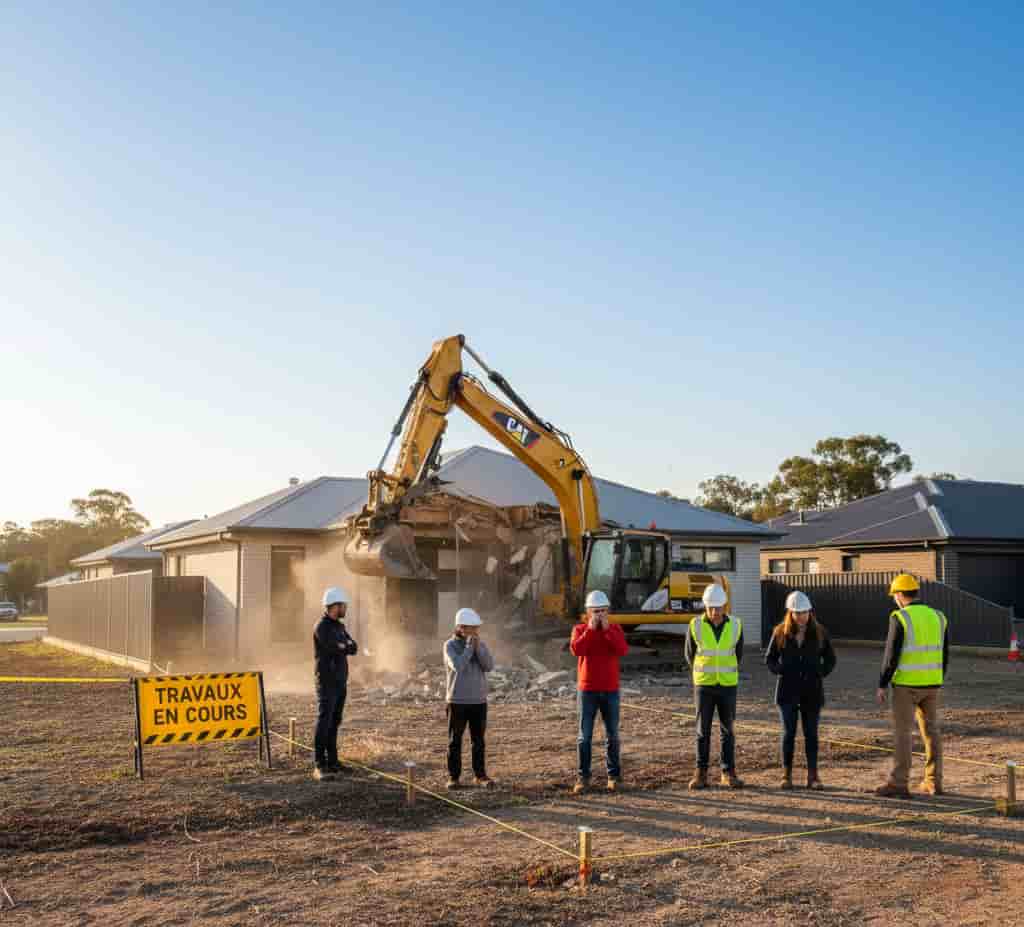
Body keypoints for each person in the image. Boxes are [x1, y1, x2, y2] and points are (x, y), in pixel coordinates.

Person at [875, 573, 949, 798]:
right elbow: (945, 653)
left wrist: (882, 683)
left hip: (906, 685)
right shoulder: (938, 616)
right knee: (932, 733)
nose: (894, 600)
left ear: (899, 594)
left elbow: (891, 655)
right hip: (933, 684)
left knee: (903, 734)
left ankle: (899, 783)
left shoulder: (900, 617)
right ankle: (934, 782)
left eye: (894, 596)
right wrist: (938, 678)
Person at [765, 590, 837, 789]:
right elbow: (770, 658)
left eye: (804, 612)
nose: (801, 616)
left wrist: (819, 673)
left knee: (811, 734)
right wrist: (780, 670)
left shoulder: (820, 632)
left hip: (812, 692)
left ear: (810, 612)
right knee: (788, 733)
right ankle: (786, 775)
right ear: (790, 612)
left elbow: (831, 659)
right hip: (787, 692)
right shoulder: (779, 632)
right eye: (797, 613)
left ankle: (813, 776)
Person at [685, 583, 744, 789]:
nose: (714, 612)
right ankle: (700, 773)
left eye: (717, 608)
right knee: (702, 731)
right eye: (710, 608)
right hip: (704, 686)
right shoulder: (695, 625)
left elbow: (738, 654)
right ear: (705, 606)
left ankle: (728, 772)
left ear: (724, 606)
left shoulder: (736, 625)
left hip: (727, 685)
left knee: (728, 730)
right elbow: (690, 655)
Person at [571, 589, 629, 793]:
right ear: (588, 612)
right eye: (596, 611)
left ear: (608, 611)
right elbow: (576, 649)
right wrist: (590, 630)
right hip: (587, 690)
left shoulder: (615, 629)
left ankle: (614, 776)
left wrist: (606, 632)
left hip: (610, 689)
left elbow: (622, 650)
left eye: (603, 610)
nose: (599, 614)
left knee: (612, 735)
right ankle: (583, 778)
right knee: (584, 736)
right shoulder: (579, 629)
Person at [443, 607, 495, 790]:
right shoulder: (449, 645)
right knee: (455, 741)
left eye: (476, 628)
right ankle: (453, 777)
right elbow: (458, 666)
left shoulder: (480, 644)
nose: (475, 632)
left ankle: (480, 776)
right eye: (471, 628)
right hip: (457, 701)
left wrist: (477, 648)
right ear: (460, 628)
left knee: (478, 741)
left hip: (478, 701)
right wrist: (468, 648)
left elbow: (489, 666)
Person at [313, 586, 359, 781]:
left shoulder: (339, 627)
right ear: (334, 606)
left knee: (335, 721)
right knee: (324, 721)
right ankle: (319, 765)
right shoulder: (321, 626)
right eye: (343, 605)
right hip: (327, 681)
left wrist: (344, 646)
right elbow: (334, 647)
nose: (345, 608)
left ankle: (333, 761)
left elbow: (353, 647)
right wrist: (343, 646)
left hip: (340, 681)